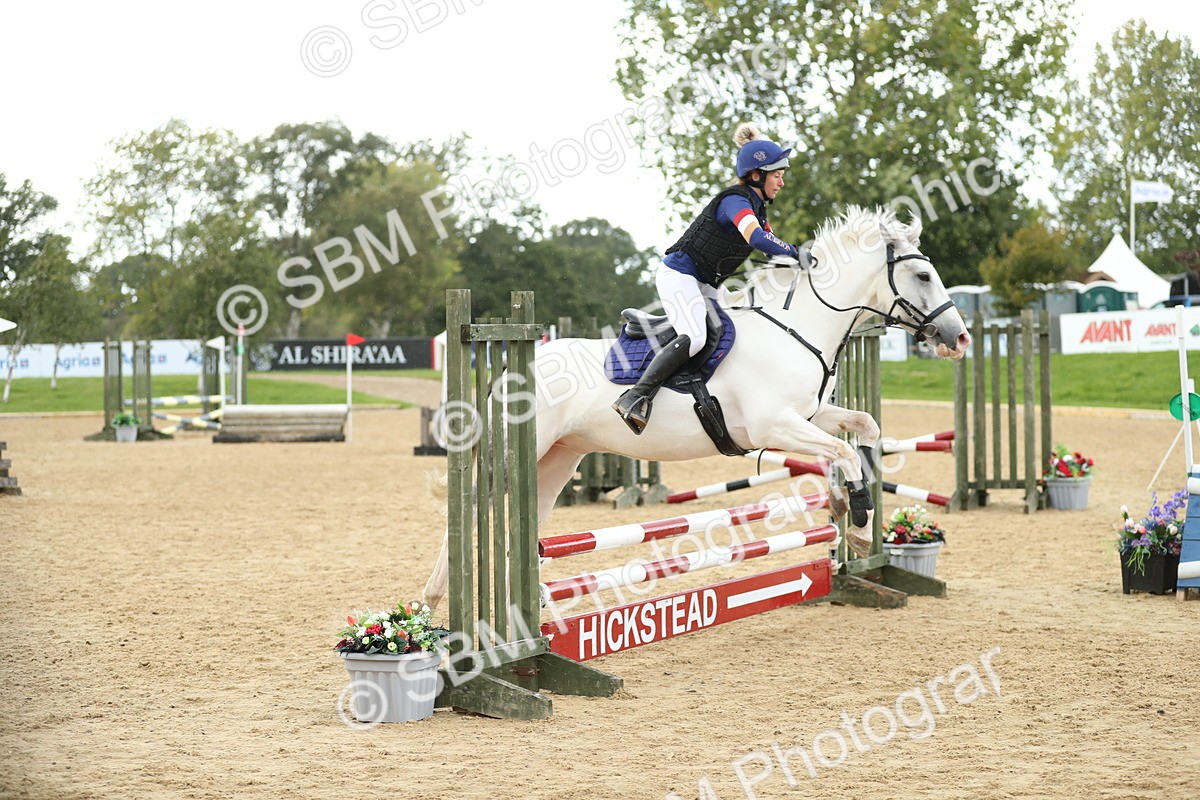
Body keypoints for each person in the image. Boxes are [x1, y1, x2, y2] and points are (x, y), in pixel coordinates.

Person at [612, 123, 810, 434]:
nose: (782, 182)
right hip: (679, 275)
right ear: (756, 175)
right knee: (697, 336)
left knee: (737, 329)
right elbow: (757, 239)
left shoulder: (757, 209)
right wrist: (797, 252)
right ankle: (635, 397)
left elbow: (774, 248)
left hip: (704, 284)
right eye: (777, 175)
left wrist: (803, 261)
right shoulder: (735, 201)